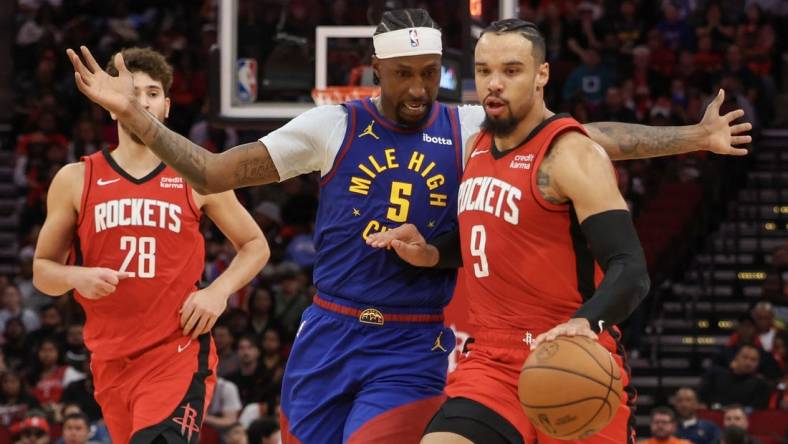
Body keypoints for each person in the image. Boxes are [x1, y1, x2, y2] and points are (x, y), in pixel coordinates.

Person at [66, 9, 752, 443]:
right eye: (403, 76)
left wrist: (690, 136)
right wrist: (136, 118)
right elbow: (213, 173)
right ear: (375, 71)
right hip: (327, 333)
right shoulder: (333, 124)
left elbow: (589, 137)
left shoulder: (471, 123)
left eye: (430, 73)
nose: (419, 88)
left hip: (420, 343)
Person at [368, 18, 650, 443]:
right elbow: (486, 239)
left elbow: (630, 268)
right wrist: (431, 252)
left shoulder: (569, 154)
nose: (493, 84)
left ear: (542, 75)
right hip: (490, 364)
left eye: (511, 71)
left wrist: (586, 323)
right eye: (484, 71)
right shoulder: (477, 145)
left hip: (570, 356)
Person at [33, 47, 270, 443]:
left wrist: (218, 291)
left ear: (166, 106)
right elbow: (43, 272)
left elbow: (255, 244)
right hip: (110, 361)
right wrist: (77, 276)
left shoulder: (197, 173)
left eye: (152, 93)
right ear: (110, 105)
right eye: (131, 91)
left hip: (176, 354)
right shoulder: (76, 178)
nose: (141, 101)